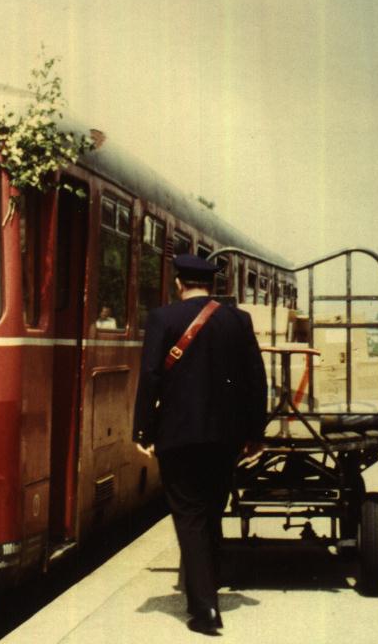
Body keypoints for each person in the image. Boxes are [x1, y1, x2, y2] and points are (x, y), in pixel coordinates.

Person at [132, 255, 268, 636]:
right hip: (225, 438)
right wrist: (255, 434)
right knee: (210, 512)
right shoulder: (238, 320)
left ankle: (206, 608)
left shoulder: (163, 319)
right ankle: (202, 594)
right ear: (212, 286)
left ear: (179, 283)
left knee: (189, 518)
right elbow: (257, 380)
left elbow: (150, 377)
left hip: (178, 437)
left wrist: (142, 431)